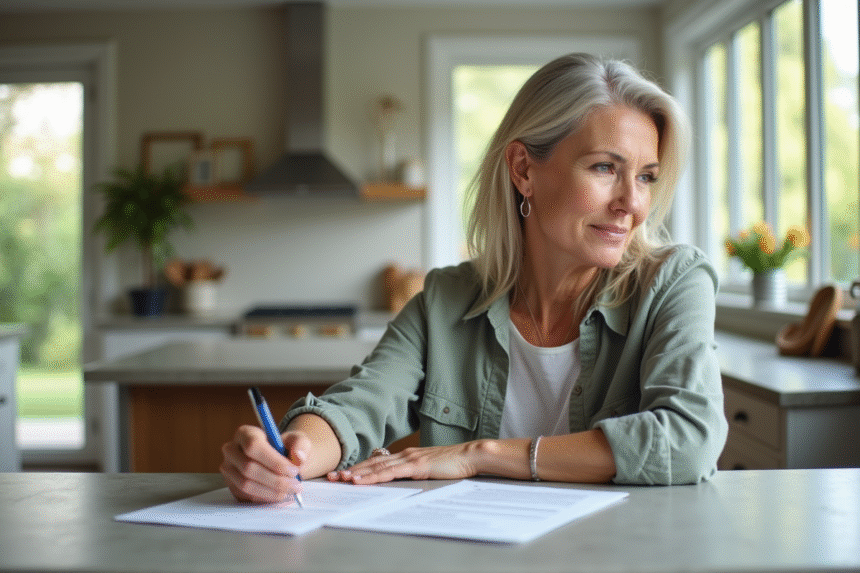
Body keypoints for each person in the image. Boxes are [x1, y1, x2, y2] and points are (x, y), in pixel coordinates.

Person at [221, 53, 728, 503]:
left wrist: (480, 454)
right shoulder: (445, 301)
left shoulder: (675, 283)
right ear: (524, 170)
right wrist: (289, 456)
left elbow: (688, 440)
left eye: (646, 177)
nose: (633, 205)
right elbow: (358, 407)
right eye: (604, 168)